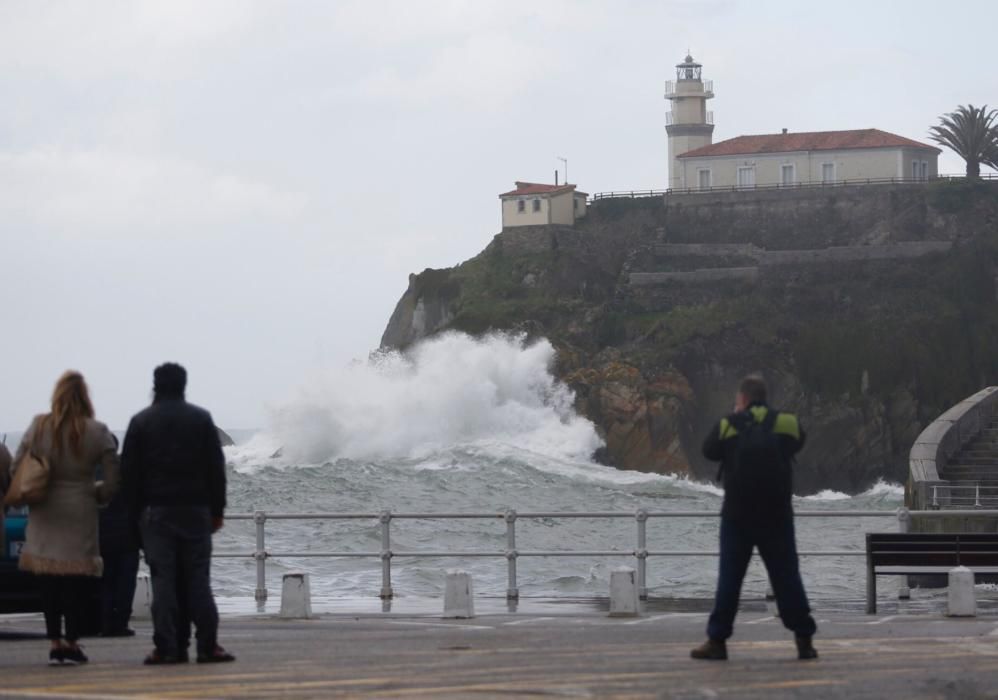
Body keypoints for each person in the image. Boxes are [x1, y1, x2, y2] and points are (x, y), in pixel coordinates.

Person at [691, 374, 817, 661]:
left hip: (737, 515)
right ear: (764, 397)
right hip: (777, 516)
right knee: (787, 578)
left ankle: (717, 641)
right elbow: (799, 442)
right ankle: (804, 638)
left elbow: (708, 451)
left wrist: (735, 424)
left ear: (743, 399)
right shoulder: (784, 422)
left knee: (730, 580)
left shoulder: (730, 424)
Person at [120, 362, 234, 665]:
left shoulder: (141, 422)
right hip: (196, 512)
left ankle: (168, 647)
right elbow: (216, 470)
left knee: (164, 582)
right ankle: (208, 645)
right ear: (184, 386)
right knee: (198, 580)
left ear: (155, 386)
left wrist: (132, 519)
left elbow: (128, 478)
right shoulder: (201, 419)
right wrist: (217, 511)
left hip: (156, 515)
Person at [14, 371, 120, 665]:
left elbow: (16, 465)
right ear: (85, 396)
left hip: (45, 511)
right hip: (80, 512)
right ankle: (72, 641)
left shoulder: (38, 426)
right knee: (76, 582)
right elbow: (113, 479)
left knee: (49, 580)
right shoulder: (97, 431)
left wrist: (34, 490)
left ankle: (54, 641)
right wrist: (96, 494)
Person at [98, 434, 140, 637]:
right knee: (126, 581)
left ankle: (105, 623)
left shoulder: (93, 471)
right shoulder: (129, 468)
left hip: (101, 535)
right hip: (128, 535)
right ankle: (121, 622)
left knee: (106, 581)